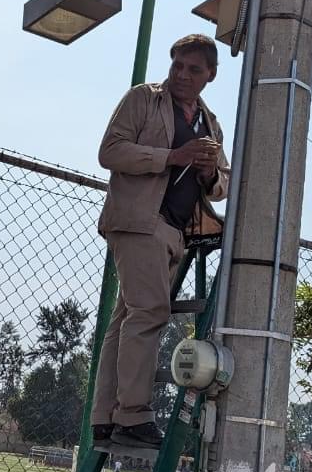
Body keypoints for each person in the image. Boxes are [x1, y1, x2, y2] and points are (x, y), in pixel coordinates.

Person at [91, 33, 231, 451]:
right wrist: (171, 157)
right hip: (138, 220)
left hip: (177, 231)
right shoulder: (143, 98)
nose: (182, 76)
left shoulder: (211, 124)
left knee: (127, 320)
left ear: (210, 76)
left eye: (193, 69)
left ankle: (105, 419)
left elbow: (221, 184)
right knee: (150, 311)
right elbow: (110, 152)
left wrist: (206, 171)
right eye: (177, 66)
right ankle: (133, 416)